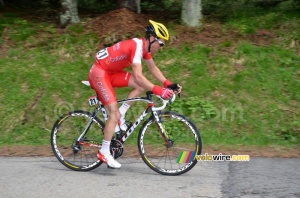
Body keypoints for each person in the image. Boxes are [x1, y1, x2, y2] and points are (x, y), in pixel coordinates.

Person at [88, 20, 182, 168]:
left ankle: (121, 114)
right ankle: (104, 152)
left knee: (138, 88)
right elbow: (138, 75)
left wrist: (167, 84)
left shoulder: (145, 48)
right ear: (152, 38)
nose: (161, 47)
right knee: (114, 115)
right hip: (99, 73)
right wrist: (158, 90)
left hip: (110, 72)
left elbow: (153, 68)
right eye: (161, 43)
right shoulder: (137, 47)